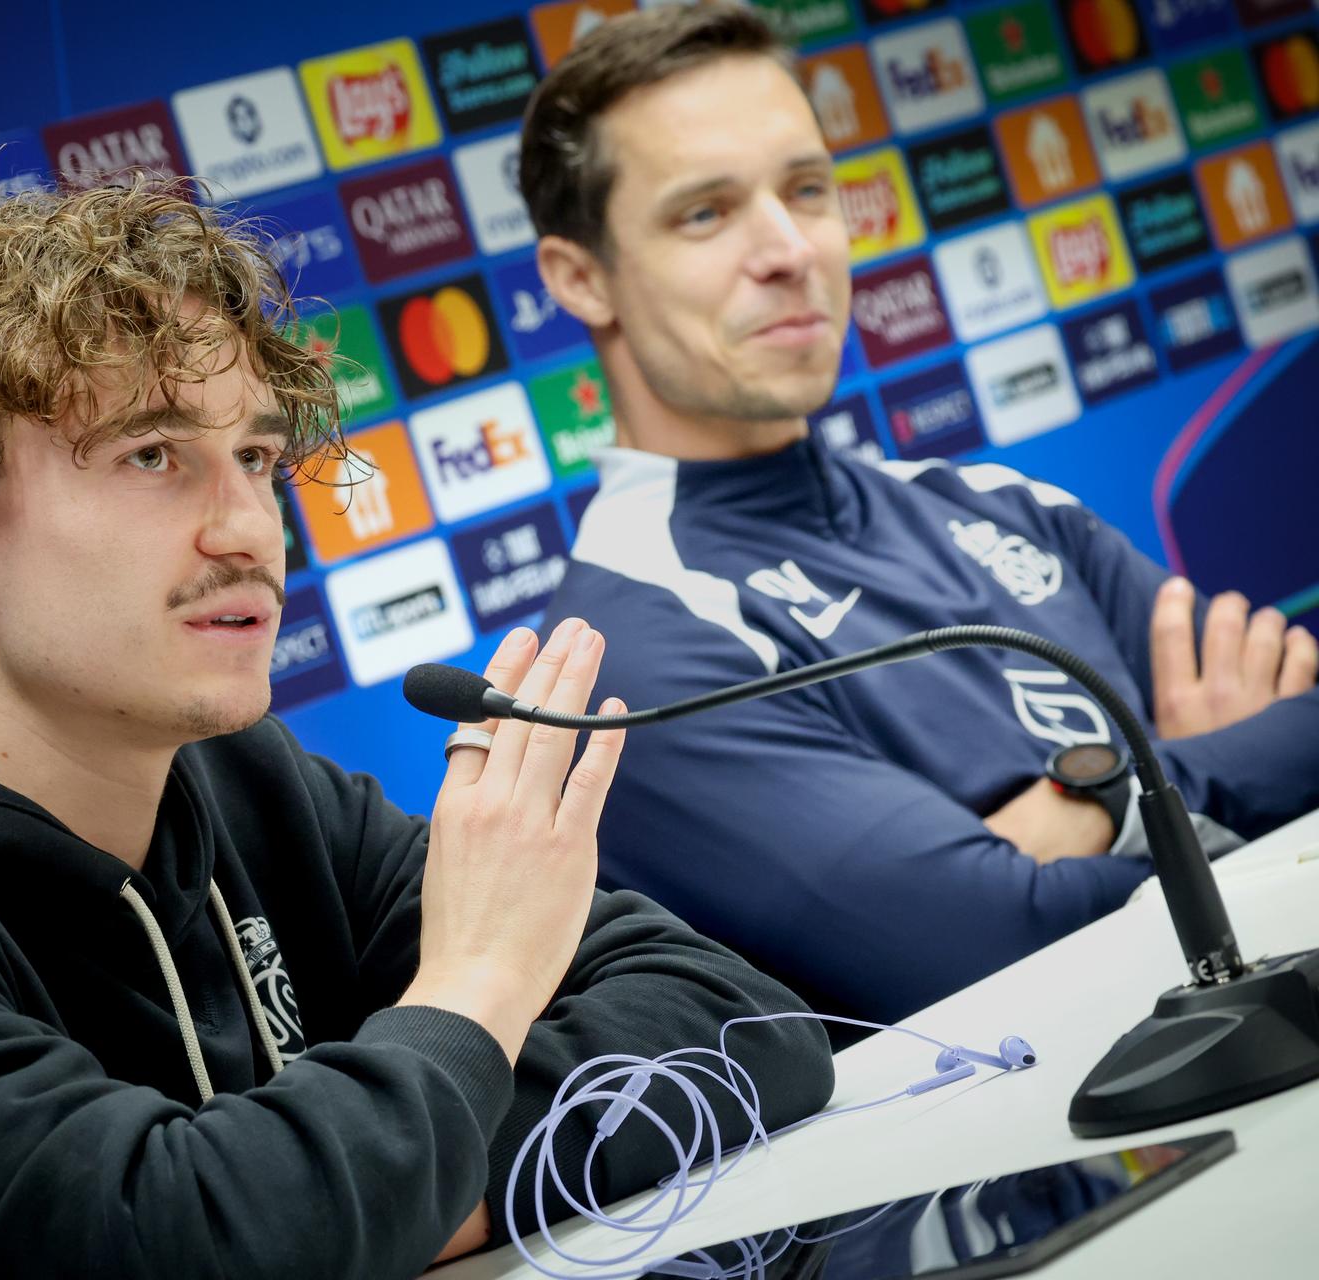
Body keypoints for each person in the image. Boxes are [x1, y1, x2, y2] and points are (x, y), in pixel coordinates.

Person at [0, 182, 835, 1278]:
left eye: (255, 454)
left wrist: (374, 1199)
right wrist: (479, 988)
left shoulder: (243, 784)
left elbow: (743, 1020)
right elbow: (194, 1241)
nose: (248, 525)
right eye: (150, 455)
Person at [520, 1, 1319, 1026]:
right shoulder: (625, 647)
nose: (788, 249)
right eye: (706, 213)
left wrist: (1110, 812)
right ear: (581, 278)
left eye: (807, 189)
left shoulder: (1006, 504)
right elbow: (993, 944)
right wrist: (1183, 786)